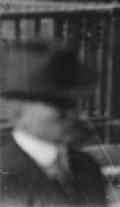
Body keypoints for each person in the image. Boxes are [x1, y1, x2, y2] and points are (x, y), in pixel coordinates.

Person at [0, 41, 108, 205]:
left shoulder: (87, 167)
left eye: (72, 103)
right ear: (18, 109)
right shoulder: (5, 176)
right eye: (57, 104)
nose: (72, 114)